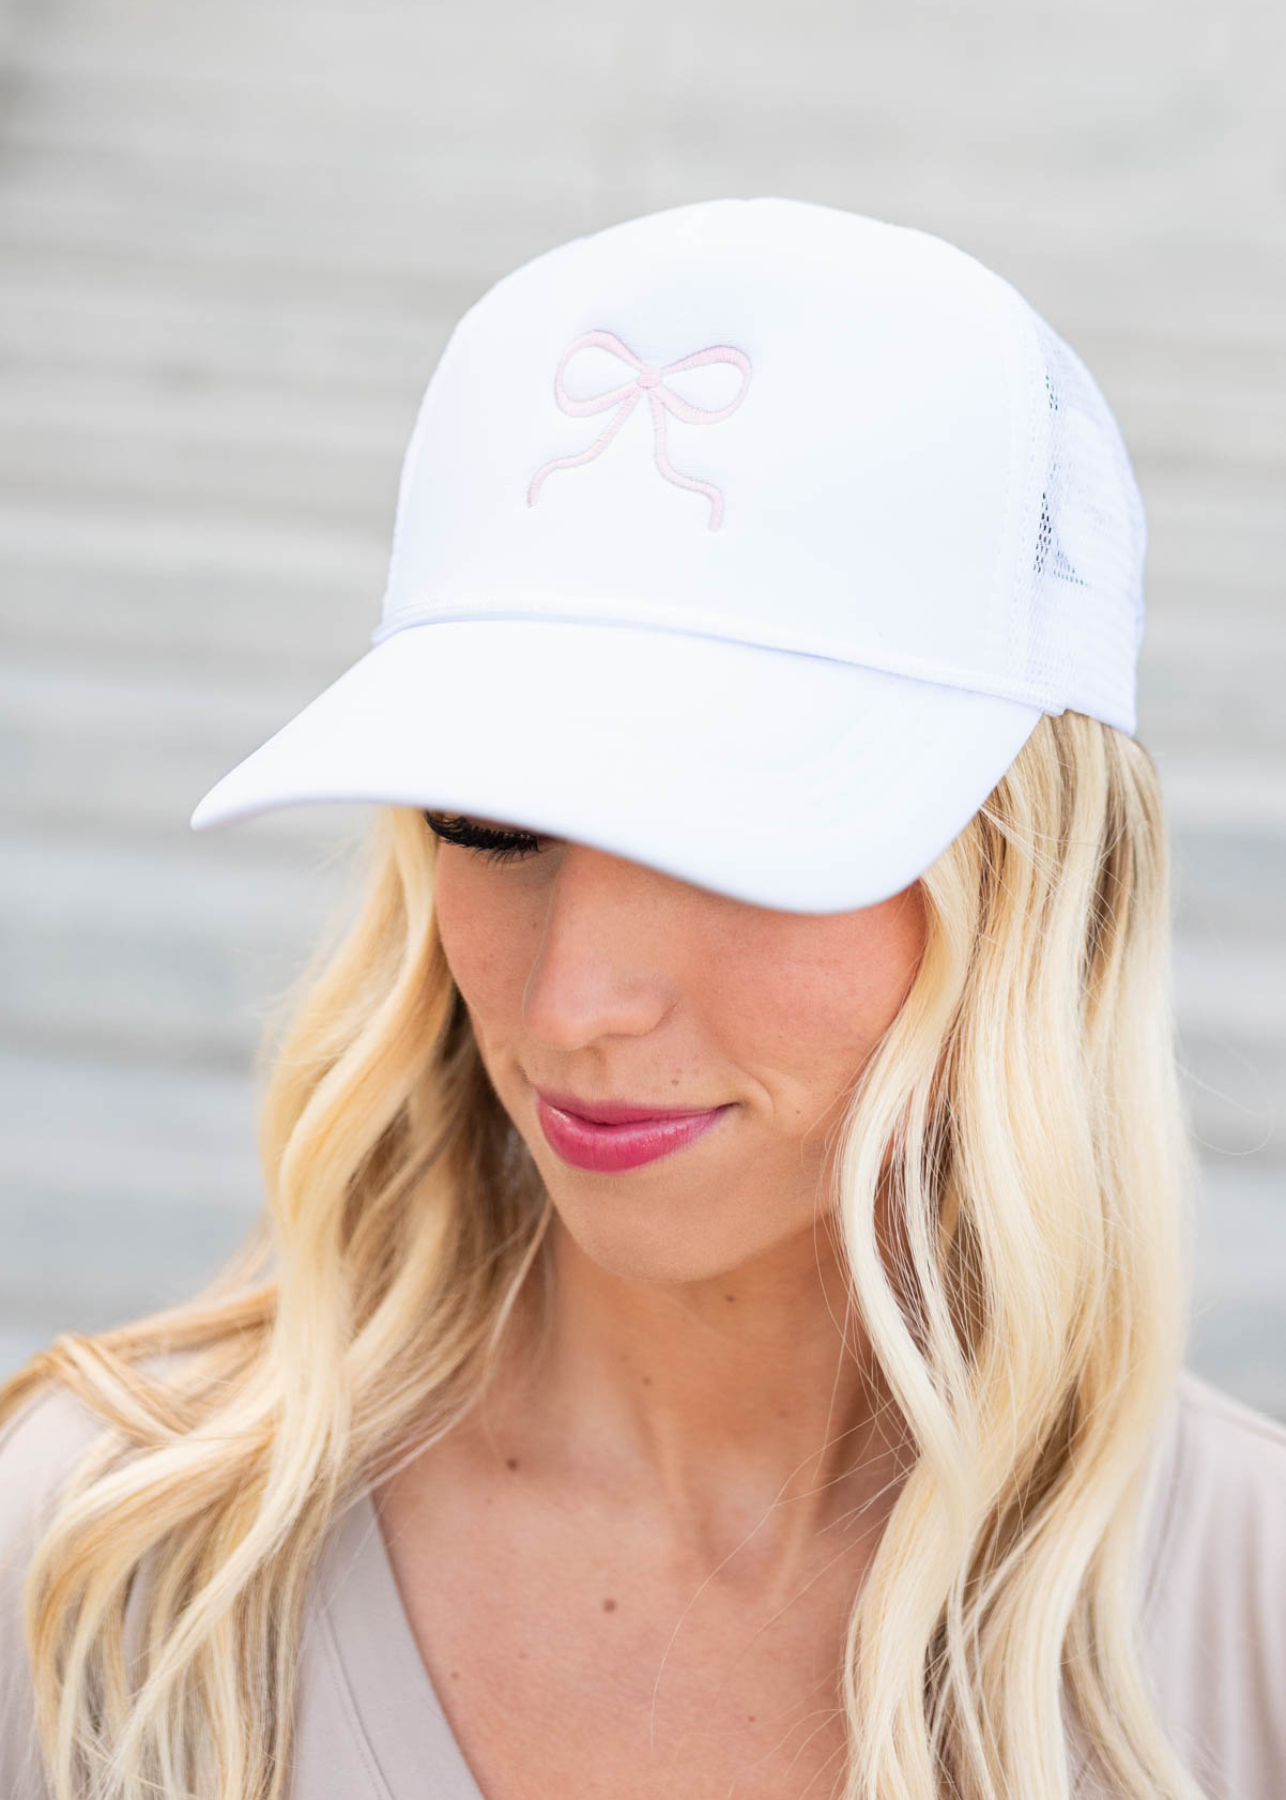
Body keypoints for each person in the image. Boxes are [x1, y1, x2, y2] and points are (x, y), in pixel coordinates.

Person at [1, 197, 1282, 1800]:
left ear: (1030, 883)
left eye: (740, 842)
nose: (575, 1000)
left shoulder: (1245, 1640)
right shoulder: (110, 1565)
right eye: (490, 822)